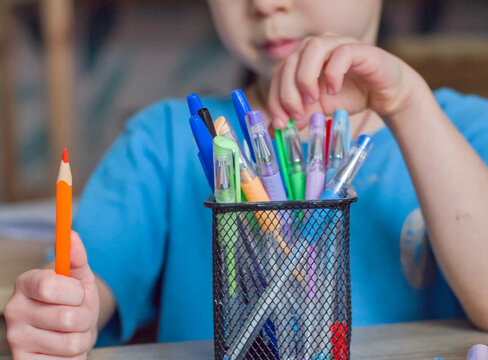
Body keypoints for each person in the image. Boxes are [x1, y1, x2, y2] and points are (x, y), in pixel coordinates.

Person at [5, 0, 488, 358]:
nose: (263, 4)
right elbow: (84, 290)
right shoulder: (162, 141)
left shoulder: (460, 131)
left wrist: (406, 103)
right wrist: (60, 316)